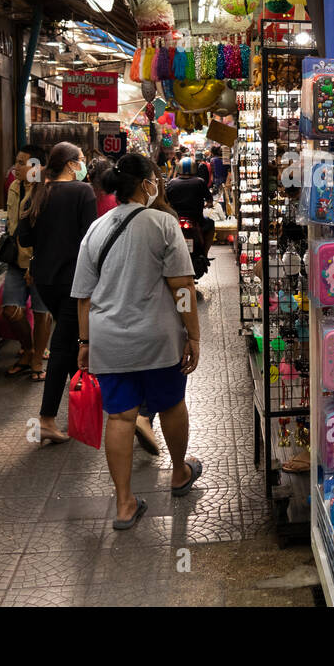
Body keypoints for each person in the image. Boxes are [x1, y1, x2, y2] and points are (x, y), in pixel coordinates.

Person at [72, 154, 203, 529]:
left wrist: (85, 341)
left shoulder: (96, 229)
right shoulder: (163, 224)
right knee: (171, 405)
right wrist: (192, 333)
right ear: (147, 183)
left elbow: (84, 295)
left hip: (109, 340)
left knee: (120, 416)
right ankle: (179, 473)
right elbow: (181, 285)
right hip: (158, 338)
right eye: (156, 179)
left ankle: (125, 504)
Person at [18, 142, 96, 444]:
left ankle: (77, 403)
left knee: (65, 338)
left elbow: (24, 237)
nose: (84, 164)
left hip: (44, 280)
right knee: (63, 345)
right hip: (73, 280)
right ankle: (47, 419)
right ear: (70, 164)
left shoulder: (39, 192)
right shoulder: (82, 192)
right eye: (82, 160)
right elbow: (90, 239)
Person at [5, 143, 52, 381]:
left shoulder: (46, 191)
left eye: (22, 162)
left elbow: (47, 234)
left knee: (42, 312)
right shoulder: (13, 187)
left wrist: (34, 263)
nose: (17, 166)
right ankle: (29, 348)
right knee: (11, 310)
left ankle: (35, 361)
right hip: (15, 259)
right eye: (17, 161)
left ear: (36, 166)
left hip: (40, 261)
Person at [167, 156, 215, 255]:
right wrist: (208, 204)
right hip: (196, 219)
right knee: (210, 224)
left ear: (179, 168)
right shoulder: (200, 182)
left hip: (176, 219)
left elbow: (166, 200)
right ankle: (205, 253)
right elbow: (209, 200)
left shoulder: (172, 183)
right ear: (194, 168)